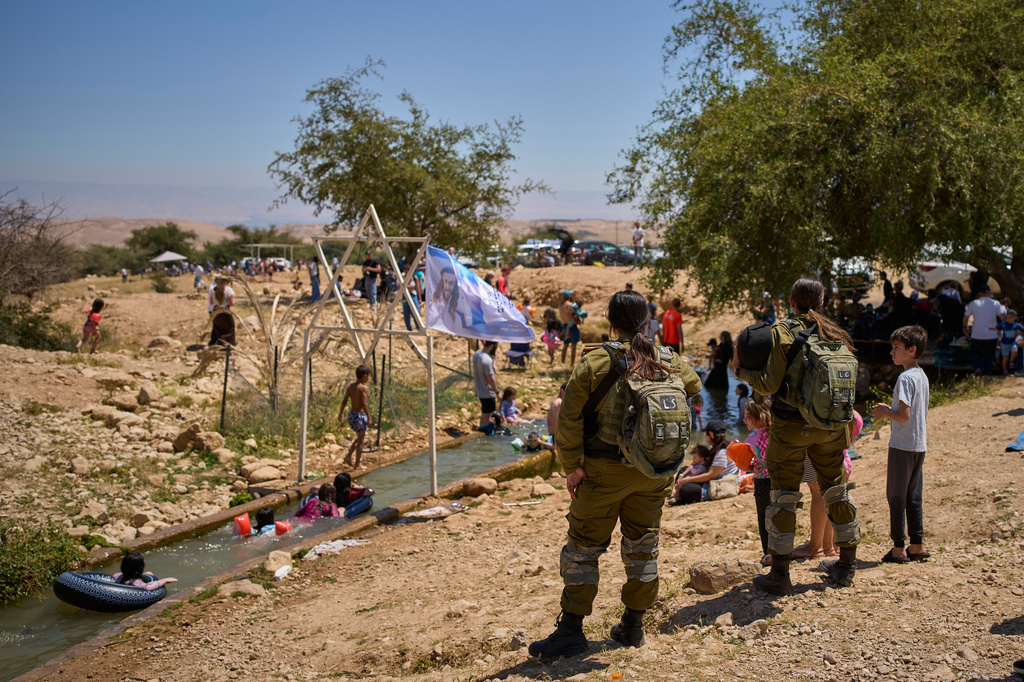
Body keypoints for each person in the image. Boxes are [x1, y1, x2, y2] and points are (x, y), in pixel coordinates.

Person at [528, 290, 702, 658]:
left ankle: (572, 631)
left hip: (604, 472)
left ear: (610, 320)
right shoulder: (669, 358)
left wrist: (571, 467)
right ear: (646, 321)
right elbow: (694, 388)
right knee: (643, 546)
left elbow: (570, 419)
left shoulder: (595, 362)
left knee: (584, 548)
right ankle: (633, 625)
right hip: (655, 472)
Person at [734, 276, 861, 594]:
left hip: (791, 428)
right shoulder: (837, 335)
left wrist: (741, 371)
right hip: (832, 427)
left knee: (784, 496)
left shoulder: (782, 332)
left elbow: (768, 384)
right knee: (836, 491)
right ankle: (846, 565)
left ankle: (779, 574)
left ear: (791, 303)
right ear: (822, 304)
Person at [872, 325, 930, 563]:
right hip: (918, 445)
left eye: (897, 348)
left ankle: (898, 548)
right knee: (913, 495)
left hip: (902, 445)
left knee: (895, 496)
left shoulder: (905, 378)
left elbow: (903, 415)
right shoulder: (922, 375)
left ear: (912, 350)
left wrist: (885, 411)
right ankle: (917, 544)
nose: (892, 352)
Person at [792, 409, 861, 560]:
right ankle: (829, 545)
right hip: (841, 456)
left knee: (818, 497)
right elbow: (857, 423)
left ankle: (815, 547)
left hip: (818, 450)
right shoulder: (848, 410)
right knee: (831, 496)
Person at [671, 420, 737, 503]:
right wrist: (682, 475)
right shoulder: (713, 447)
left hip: (716, 483)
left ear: (711, 435)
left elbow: (711, 475)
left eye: (705, 434)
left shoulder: (722, 453)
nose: (705, 436)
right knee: (683, 470)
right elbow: (697, 463)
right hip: (709, 478)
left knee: (686, 489)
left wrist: (687, 480)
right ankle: (677, 493)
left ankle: (680, 494)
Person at [739, 400, 772, 566]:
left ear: (757, 417)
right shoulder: (778, 433)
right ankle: (785, 549)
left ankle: (769, 553)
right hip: (781, 478)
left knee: (764, 517)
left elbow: (746, 465)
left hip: (762, 481)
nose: (744, 420)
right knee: (782, 513)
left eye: (747, 417)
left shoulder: (751, 440)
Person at [963, 284, 1005, 375]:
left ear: (979, 293)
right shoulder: (996, 304)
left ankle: (977, 367)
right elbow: (1002, 317)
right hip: (991, 334)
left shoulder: (973, 303)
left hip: (977, 334)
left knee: (976, 353)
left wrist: (965, 327)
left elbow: (966, 317)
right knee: (989, 355)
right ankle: (987, 372)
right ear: (989, 293)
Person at [339, 365, 373, 470]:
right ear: (364, 376)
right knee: (361, 441)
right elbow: (364, 404)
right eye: (368, 377)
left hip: (352, 415)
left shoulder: (350, 387)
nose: (368, 379)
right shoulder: (363, 388)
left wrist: (340, 413)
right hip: (360, 416)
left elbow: (344, 401)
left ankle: (348, 456)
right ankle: (358, 463)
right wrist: (369, 418)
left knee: (359, 438)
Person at [112, 552, 178, 590]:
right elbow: (148, 587)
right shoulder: (136, 583)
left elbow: (114, 576)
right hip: (131, 594)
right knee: (150, 573)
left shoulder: (118, 576)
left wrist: (145, 574)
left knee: (149, 573)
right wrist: (165, 580)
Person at [473, 341, 500, 427]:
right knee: (486, 414)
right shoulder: (487, 360)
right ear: (492, 346)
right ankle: (483, 432)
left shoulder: (477, 354)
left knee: (485, 413)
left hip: (479, 389)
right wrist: (497, 392)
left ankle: (483, 429)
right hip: (487, 392)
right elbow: (490, 378)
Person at [997, 309, 1023, 375]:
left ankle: (1014, 365)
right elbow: (998, 330)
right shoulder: (1004, 325)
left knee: (1015, 350)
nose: (1009, 319)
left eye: (1011, 317)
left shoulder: (1017, 326)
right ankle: (1005, 370)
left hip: (1012, 344)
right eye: (1008, 317)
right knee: (1006, 357)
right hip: (1004, 345)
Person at [559, 290, 581, 366]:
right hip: (572, 326)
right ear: (569, 296)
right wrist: (578, 320)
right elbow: (572, 315)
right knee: (573, 346)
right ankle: (572, 364)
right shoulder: (570, 305)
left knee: (565, 345)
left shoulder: (561, 305)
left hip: (565, 326)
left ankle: (562, 362)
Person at [401, 264, 424, 331]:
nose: (405, 271)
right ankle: (409, 329)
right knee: (406, 313)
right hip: (405, 296)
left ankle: (418, 327)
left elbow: (417, 288)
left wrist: (420, 298)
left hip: (413, 295)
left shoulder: (414, 277)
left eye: (406, 270)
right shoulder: (402, 277)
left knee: (416, 312)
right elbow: (402, 287)